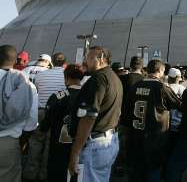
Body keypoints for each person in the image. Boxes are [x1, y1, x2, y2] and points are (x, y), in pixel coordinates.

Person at [68, 46, 123, 181]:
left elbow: (89, 117)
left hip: (95, 144)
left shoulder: (98, 79)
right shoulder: (113, 77)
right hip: (108, 140)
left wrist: (75, 153)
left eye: (89, 57)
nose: (86, 61)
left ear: (100, 59)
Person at [122, 59, 182, 182]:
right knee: (153, 171)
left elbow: (126, 113)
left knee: (136, 172)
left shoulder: (135, 86)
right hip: (155, 138)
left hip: (136, 136)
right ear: (160, 70)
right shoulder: (161, 87)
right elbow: (178, 104)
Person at [23, 52, 67, 181]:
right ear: (64, 63)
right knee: (50, 145)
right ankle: (44, 174)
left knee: (35, 142)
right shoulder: (65, 75)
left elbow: (36, 91)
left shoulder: (41, 75)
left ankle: (30, 173)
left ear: (52, 61)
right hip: (57, 114)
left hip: (40, 112)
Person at [39, 64, 83, 182]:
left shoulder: (58, 96)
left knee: (57, 175)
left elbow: (45, 124)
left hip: (60, 145)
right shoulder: (89, 95)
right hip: (82, 145)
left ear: (66, 77)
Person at [0, 45, 38, 182]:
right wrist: (22, 142)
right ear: (15, 60)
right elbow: (32, 120)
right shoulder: (26, 84)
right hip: (9, 143)